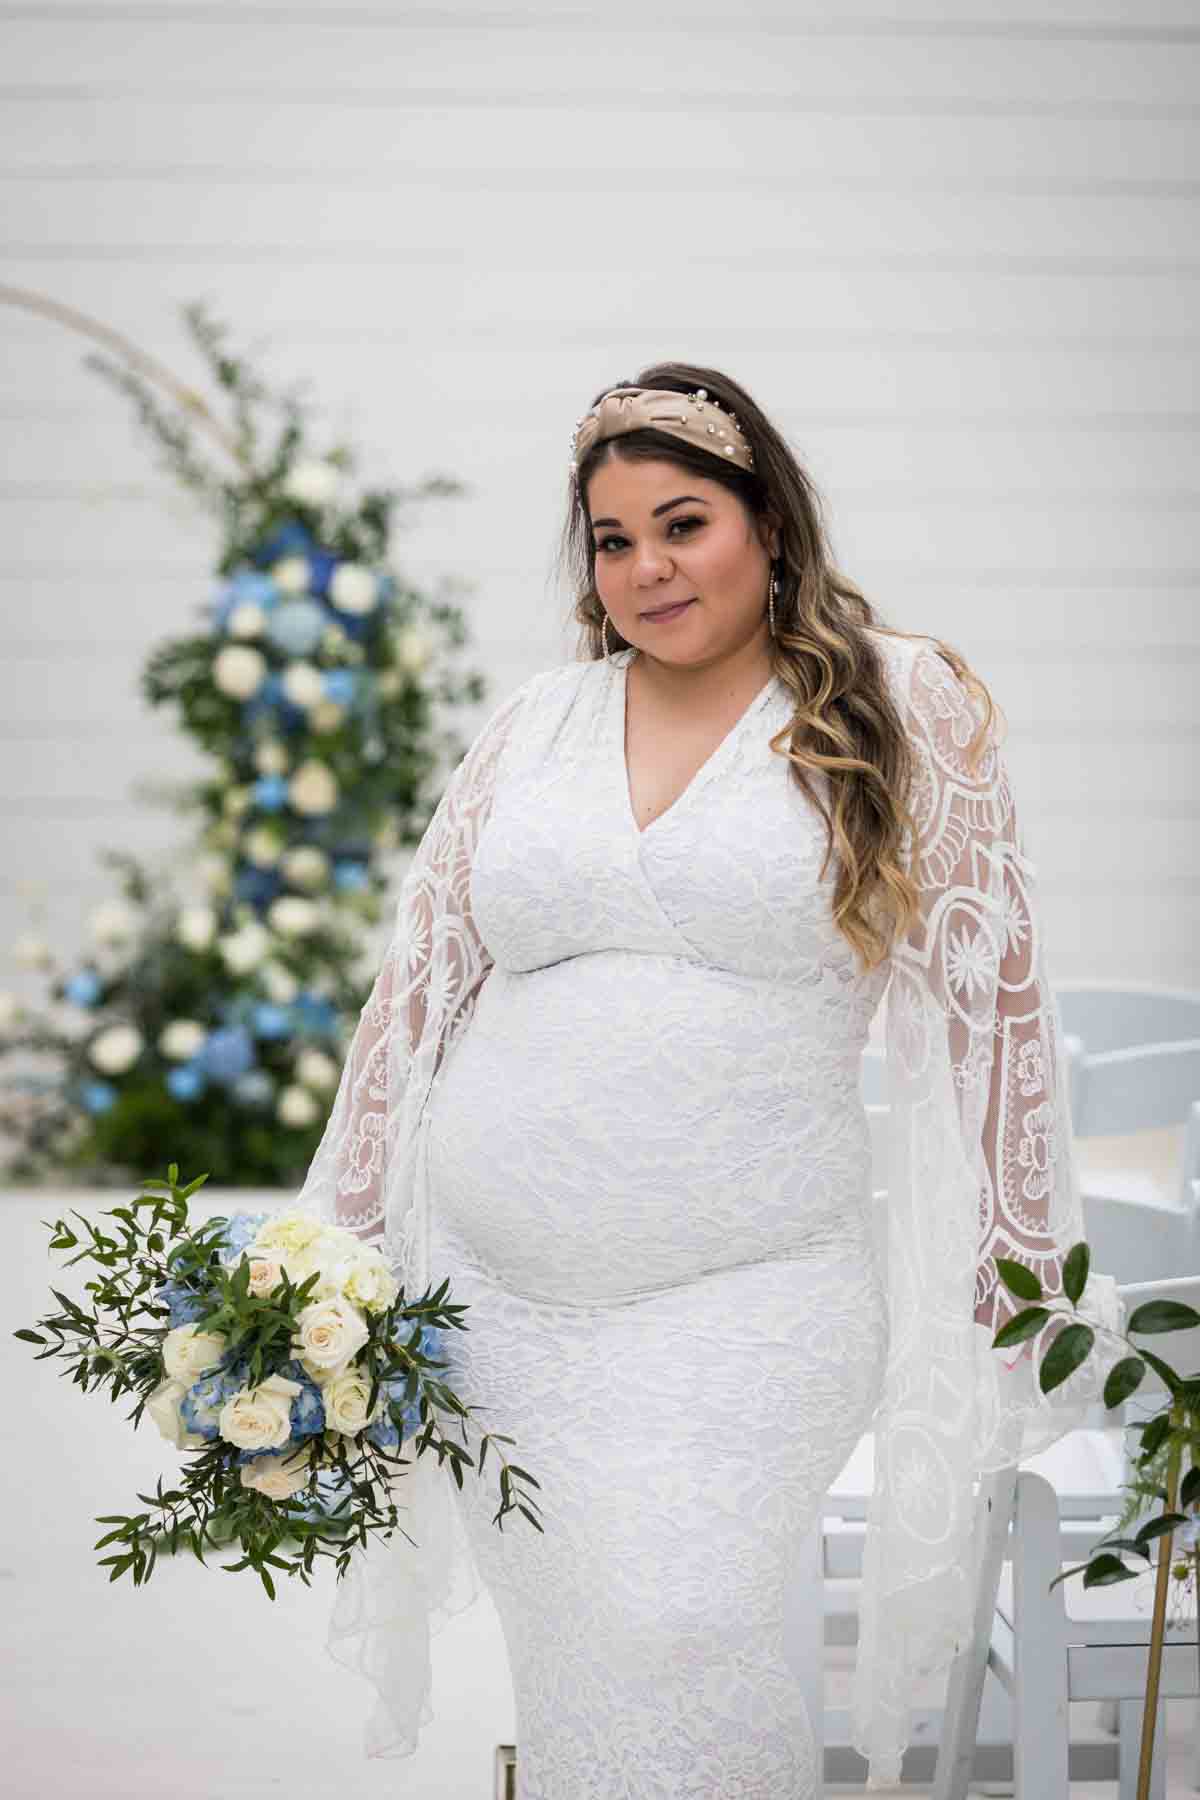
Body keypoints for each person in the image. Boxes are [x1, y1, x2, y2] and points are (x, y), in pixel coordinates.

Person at [294, 365, 1124, 1795]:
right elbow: (412, 1006)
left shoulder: (902, 705)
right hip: (500, 1308)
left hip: (753, 1294)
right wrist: (327, 1252)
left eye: (683, 524)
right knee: (585, 1664)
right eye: (613, 541)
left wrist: (1022, 1253)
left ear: (772, 525)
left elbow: (997, 1004)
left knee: (688, 1620)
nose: (647, 569)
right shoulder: (531, 729)